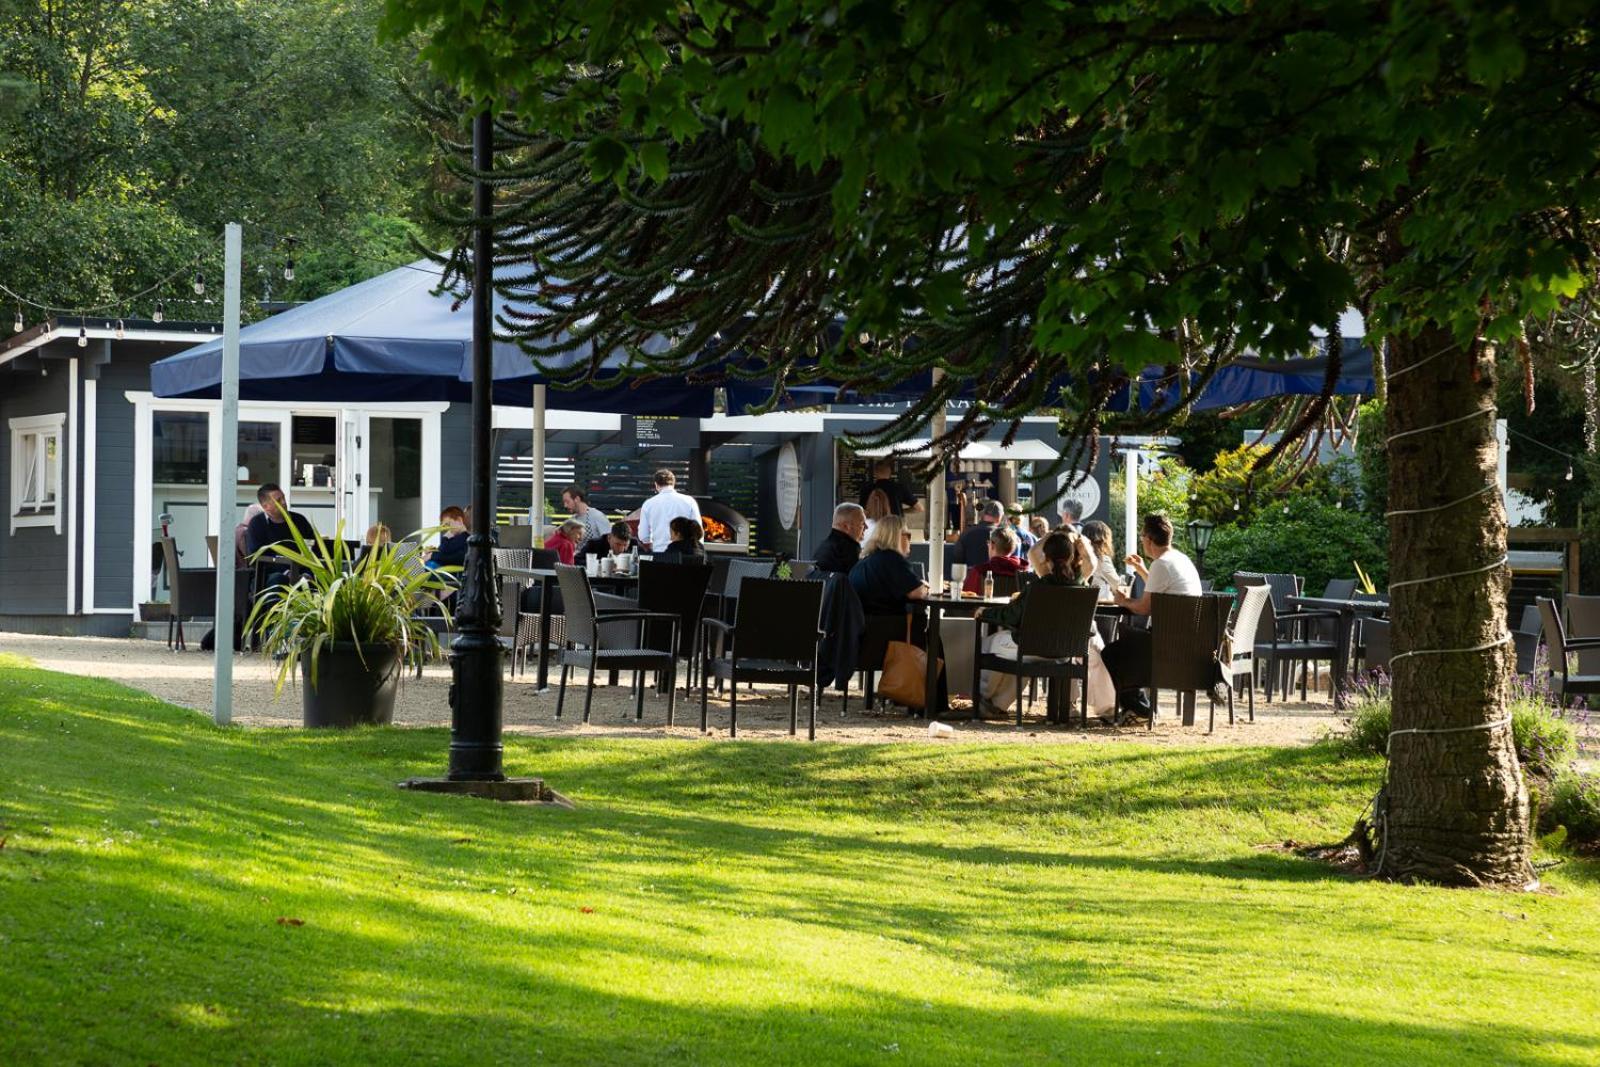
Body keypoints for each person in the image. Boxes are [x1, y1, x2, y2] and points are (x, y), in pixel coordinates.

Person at [975, 530, 1116, 719]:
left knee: (990, 644)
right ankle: (1107, 708)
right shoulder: (1082, 586)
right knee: (1096, 650)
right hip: (1068, 650)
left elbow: (1010, 615)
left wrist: (984, 613)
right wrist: (1081, 543)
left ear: (1046, 559)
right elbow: (1091, 562)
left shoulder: (1037, 587)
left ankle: (985, 700)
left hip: (1031, 647)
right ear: (1073, 556)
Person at [1101, 513, 1204, 721]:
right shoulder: (1179, 559)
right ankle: (1139, 707)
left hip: (1166, 645)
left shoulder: (1162, 564)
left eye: (1141, 538)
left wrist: (1122, 601)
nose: (1141, 542)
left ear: (1148, 539)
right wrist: (1142, 570)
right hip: (1189, 641)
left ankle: (1140, 710)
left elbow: (1143, 608)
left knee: (1112, 652)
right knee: (1127, 643)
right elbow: (1162, 588)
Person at [848, 514, 929, 617]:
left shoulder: (864, 561)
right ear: (897, 536)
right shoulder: (893, 560)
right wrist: (925, 587)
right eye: (908, 535)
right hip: (886, 626)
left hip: (860, 626)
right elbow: (917, 592)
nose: (910, 541)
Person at [244, 484, 318, 560]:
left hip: (302, 568)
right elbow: (255, 556)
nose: (283, 502)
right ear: (266, 506)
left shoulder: (299, 520)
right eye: (278, 500)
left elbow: (315, 547)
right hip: (272, 570)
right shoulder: (257, 524)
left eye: (283, 498)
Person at [636, 468, 701, 553]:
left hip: (660, 553)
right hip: (687, 554)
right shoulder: (689, 501)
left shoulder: (648, 504)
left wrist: (655, 540)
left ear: (656, 485)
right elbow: (698, 530)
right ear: (674, 484)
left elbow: (643, 536)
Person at [963, 526, 1027, 593]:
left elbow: (967, 597)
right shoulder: (1023, 573)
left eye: (988, 543)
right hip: (1014, 603)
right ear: (1013, 549)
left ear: (992, 545)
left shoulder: (979, 571)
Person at [814, 503, 867, 574]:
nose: (866, 527)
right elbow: (858, 580)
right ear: (846, 526)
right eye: (862, 523)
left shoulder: (823, 546)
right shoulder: (850, 549)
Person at [954, 499, 1005, 567]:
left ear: (983, 515)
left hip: (971, 576)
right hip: (996, 576)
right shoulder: (1004, 537)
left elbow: (957, 562)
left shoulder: (966, 534)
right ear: (1000, 517)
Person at [1080, 520, 1121, 598]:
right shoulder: (1102, 560)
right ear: (1104, 540)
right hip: (1101, 606)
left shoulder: (1078, 558)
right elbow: (1117, 586)